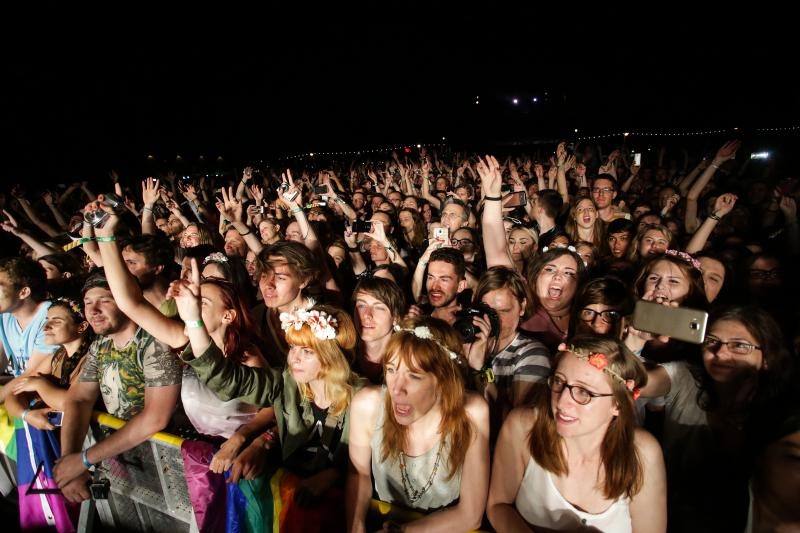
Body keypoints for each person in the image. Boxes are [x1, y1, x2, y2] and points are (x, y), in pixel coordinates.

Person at [173, 261, 362, 531]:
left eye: (306, 352)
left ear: (330, 357)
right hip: (290, 503)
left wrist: (333, 475)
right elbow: (225, 378)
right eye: (293, 348)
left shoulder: (362, 397)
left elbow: (377, 464)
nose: (294, 359)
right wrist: (193, 318)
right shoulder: (286, 382)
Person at [636, 305, 795, 532]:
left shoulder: (785, 415)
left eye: (739, 345)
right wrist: (635, 340)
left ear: (768, 356)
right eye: (711, 341)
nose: (720, 353)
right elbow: (640, 383)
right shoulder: (686, 377)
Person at [487, 336, 666, 532]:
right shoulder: (523, 426)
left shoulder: (642, 452)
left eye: (584, 392)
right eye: (558, 382)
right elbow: (498, 506)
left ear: (618, 404)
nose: (562, 402)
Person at [346, 316, 490, 532]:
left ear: (442, 380)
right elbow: (359, 474)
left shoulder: (471, 413)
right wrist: (356, 525)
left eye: (414, 376)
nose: (396, 389)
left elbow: (470, 515)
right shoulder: (368, 405)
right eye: (392, 370)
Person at [54, 270, 183, 502]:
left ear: (127, 301)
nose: (93, 311)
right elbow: (78, 398)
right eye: (88, 302)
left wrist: (82, 460)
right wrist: (69, 461)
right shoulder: (100, 345)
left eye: (105, 301)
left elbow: (156, 417)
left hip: (171, 463)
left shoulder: (155, 340)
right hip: (126, 457)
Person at [466, 266, 550, 434]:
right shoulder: (464, 341)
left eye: (504, 311)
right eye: (488, 311)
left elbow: (517, 428)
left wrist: (479, 371)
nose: (496, 320)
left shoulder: (532, 353)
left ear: (522, 307)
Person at [0, 257, 59, 390]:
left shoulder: (50, 316)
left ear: (24, 292)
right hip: (20, 388)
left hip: (42, 391)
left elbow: (31, 374)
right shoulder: (4, 315)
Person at [520, 247, 587, 352]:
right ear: (535, 276)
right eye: (549, 269)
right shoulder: (520, 307)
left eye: (568, 273)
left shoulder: (589, 318)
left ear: (578, 284)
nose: (557, 276)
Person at [351, 277, 406, 385]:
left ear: (396, 318)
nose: (367, 315)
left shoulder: (405, 359)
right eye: (361, 305)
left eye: (379, 308)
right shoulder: (344, 354)